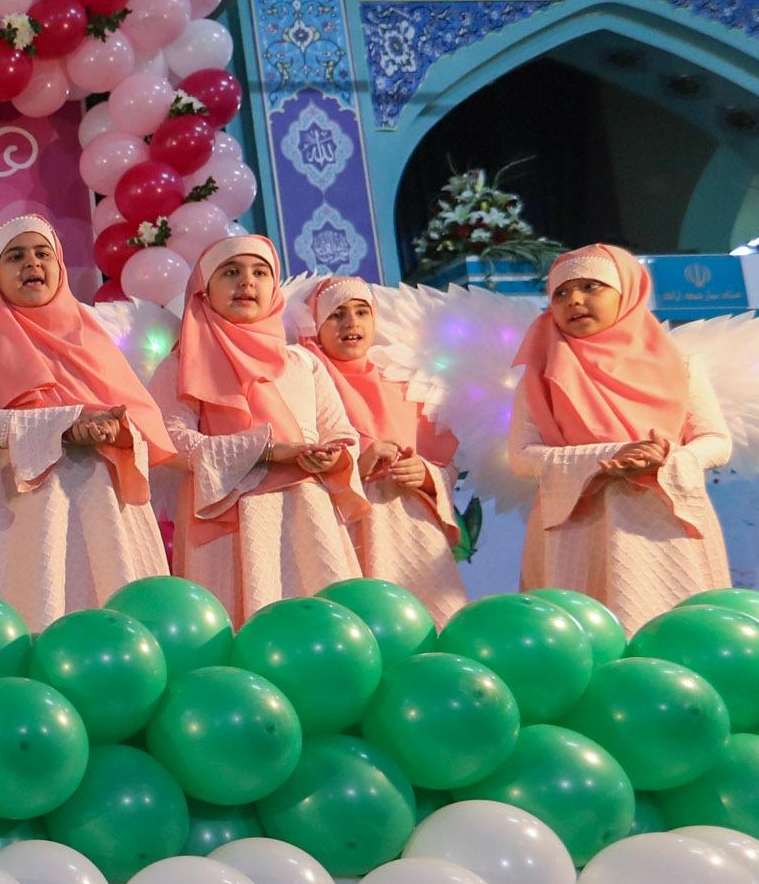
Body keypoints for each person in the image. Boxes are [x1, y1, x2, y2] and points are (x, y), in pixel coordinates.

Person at [0, 215, 172, 627]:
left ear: (59, 267)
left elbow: (137, 415)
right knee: (35, 617)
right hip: (24, 507)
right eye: (16, 256)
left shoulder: (93, 336)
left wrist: (113, 428)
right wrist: (64, 424)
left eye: (42, 254)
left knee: (118, 615)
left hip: (105, 501)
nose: (32, 263)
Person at [508, 242, 733, 629]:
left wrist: (666, 457)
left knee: (679, 633)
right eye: (560, 293)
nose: (574, 300)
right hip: (578, 522)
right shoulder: (541, 375)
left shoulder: (681, 365)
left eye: (590, 287)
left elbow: (716, 441)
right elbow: (522, 456)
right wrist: (608, 458)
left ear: (628, 293)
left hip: (665, 518)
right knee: (585, 637)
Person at [155, 233, 364, 622]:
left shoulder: (303, 363)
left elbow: (342, 433)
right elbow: (169, 440)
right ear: (204, 290)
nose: (247, 282)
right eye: (231, 272)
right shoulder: (181, 365)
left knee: (325, 623)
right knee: (240, 629)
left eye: (260, 272)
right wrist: (266, 451)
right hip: (228, 522)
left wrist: (331, 455)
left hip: (308, 512)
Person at [301, 277, 468, 625]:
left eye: (362, 312)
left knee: (432, 624)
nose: (351, 323)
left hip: (410, 525)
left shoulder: (402, 383)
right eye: (336, 314)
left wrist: (426, 475)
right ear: (317, 324)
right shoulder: (305, 382)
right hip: (345, 525)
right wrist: (356, 467)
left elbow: (444, 466)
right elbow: (297, 463)